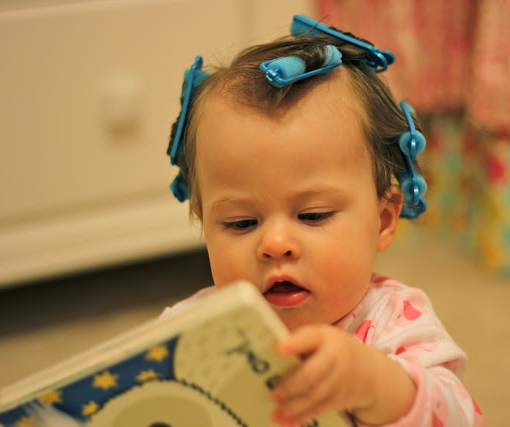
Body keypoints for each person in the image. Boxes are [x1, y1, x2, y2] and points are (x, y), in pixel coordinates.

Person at [164, 15, 483, 427]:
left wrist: (375, 384)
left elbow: (459, 417)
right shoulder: (192, 330)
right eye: (242, 223)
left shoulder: (394, 322)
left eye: (312, 215)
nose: (275, 243)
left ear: (384, 220)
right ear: (203, 222)